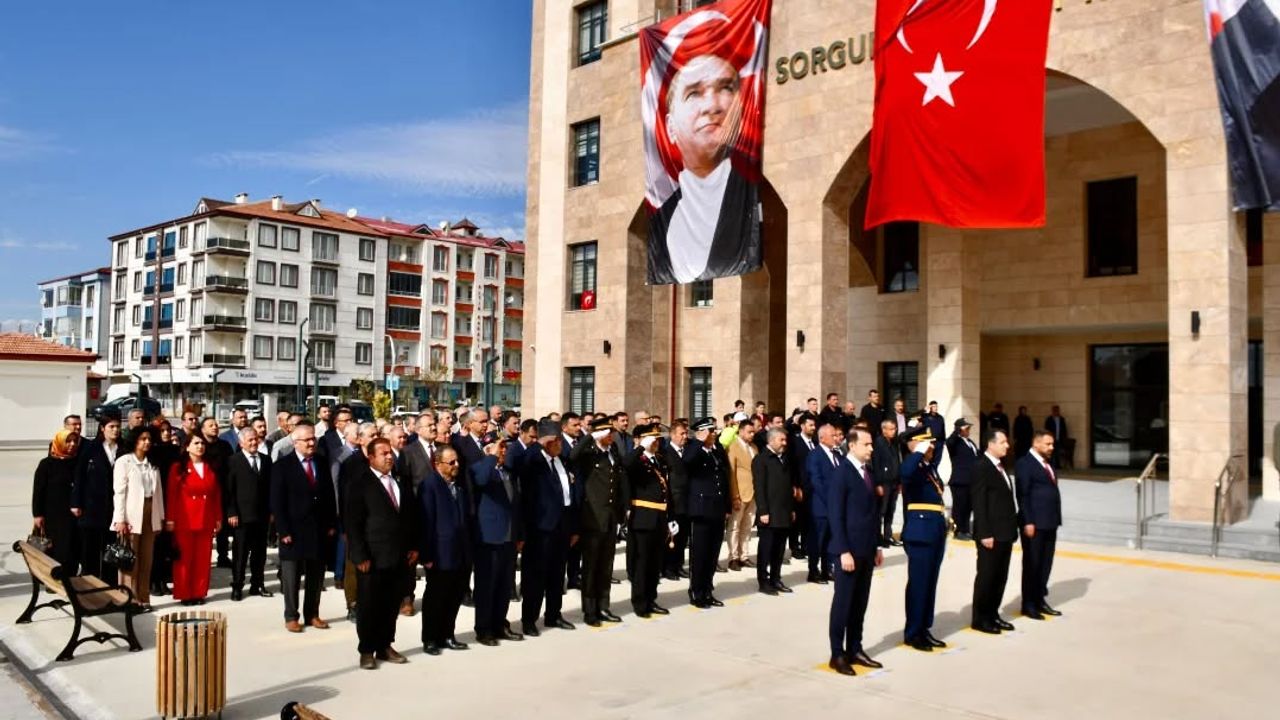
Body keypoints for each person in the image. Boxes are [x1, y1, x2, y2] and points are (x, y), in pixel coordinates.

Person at [647, 50, 758, 284]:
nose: (711, 106)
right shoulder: (659, 221)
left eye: (725, 88)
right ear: (670, 127)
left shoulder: (752, 194)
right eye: (694, 93)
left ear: (740, 112)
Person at [346, 438, 421, 669]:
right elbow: (353, 523)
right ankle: (367, 649)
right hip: (372, 557)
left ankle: (385, 645)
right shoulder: (360, 483)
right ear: (371, 458)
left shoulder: (400, 480)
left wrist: (413, 546)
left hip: (398, 556)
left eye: (390, 453)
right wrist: (360, 556)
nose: (389, 457)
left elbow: (410, 517)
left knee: (390, 604)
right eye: (383, 453)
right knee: (369, 605)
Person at [827, 428, 884, 676]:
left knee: (860, 603)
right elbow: (835, 515)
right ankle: (837, 654)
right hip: (849, 551)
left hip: (867, 549)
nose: (871, 448)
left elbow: (873, 514)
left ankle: (855, 648)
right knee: (843, 604)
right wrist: (843, 551)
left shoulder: (867, 472)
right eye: (867, 444)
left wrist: (877, 545)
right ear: (852, 446)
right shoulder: (842, 473)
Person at [271, 421, 338, 633]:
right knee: (291, 577)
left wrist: (331, 523)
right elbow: (277, 502)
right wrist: (283, 530)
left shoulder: (321, 462)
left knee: (316, 576)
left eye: (313, 439)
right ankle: (291, 616)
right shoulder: (282, 466)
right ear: (295, 442)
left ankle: (312, 614)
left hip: (318, 529)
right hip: (293, 530)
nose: (311, 443)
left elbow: (329, 495)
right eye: (307, 440)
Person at [519, 420, 579, 635]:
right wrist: (539, 444)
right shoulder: (532, 460)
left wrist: (573, 528)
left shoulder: (562, 460)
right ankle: (529, 619)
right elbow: (524, 462)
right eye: (557, 440)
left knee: (557, 574)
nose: (561, 444)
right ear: (547, 441)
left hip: (562, 527)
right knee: (535, 577)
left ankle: (553, 615)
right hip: (540, 530)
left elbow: (570, 495)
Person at [571, 417, 625, 626]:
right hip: (593, 518)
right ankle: (590, 610)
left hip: (610, 517)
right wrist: (590, 437)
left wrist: (621, 512)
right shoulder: (589, 453)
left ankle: (603, 606)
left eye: (611, 433)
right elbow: (573, 456)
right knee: (591, 566)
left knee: (606, 565)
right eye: (607, 433)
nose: (611, 437)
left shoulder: (612, 452)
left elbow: (617, 483)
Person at [899, 425, 948, 652]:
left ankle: (924, 628)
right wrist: (917, 450)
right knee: (919, 584)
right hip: (920, 532)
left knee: (930, 582)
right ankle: (913, 632)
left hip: (935, 529)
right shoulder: (912, 465)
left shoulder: (928, 467)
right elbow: (905, 473)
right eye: (926, 443)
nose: (932, 446)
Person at [419, 448, 471, 655]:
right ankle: (430, 638)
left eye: (457, 461)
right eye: (451, 463)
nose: (456, 465)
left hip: (460, 551)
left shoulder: (458, 485)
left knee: (454, 596)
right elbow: (425, 522)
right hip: (440, 554)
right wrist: (427, 555)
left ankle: (447, 635)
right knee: (435, 598)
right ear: (437, 464)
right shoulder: (429, 485)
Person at [470, 439, 523, 645]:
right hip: (489, 538)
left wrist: (519, 534)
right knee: (487, 586)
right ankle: (484, 629)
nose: (503, 452)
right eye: (500, 448)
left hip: (508, 537)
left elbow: (516, 504)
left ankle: (500, 624)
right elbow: (481, 480)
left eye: (504, 449)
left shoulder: (508, 472)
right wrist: (491, 456)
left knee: (504, 585)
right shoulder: (480, 468)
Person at [970, 429, 1018, 634]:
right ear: (990, 444)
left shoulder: (1000, 466)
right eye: (1003, 442)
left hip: (1005, 532)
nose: (1007, 445)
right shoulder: (981, 466)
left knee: (1000, 577)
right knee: (987, 577)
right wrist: (984, 533)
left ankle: (993, 614)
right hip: (990, 534)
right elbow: (979, 502)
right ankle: (980, 619)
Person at [112, 427, 164, 611]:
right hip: (131, 513)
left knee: (146, 558)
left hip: (150, 511)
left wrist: (160, 517)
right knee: (129, 558)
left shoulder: (152, 463)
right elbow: (119, 492)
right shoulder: (124, 461)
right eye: (142, 439)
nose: (147, 442)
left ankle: (143, 597)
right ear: (134, 440)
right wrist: (120, 519)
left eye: (149, 439)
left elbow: (158, 492)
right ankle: (129, 599)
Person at [622, 425, 671, 617]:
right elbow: (625, 464)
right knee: (641, 563)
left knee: (654, 563)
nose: (655, 442)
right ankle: (640, 603)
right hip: (643, 517)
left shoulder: (658, 460)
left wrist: (670, 517)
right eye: (652, 438)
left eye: (657, 438)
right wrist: (641, 446)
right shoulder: (637, 460)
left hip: (659, 517)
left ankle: (651, 599)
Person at [166, 433, 221, 605]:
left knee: (202, 558)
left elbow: (216, 495)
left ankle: (198, 592)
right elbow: (172, 494)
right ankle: (184, 593)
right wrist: (170, 519)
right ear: (187, 446)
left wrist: (218, 517)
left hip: (206, 518)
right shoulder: (178, 467)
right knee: (184, 559)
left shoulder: (210, 466)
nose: (200, 446)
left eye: (202, 443)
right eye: (196, 443)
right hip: (185, 519)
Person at [1016, 430, 1063, 620]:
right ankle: (1028, 604)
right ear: (1036, 444)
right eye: (1048, 444)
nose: (1051, 447)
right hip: (1034, 523)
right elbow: (1023, 494)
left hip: (1049, 521)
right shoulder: (1025, 463)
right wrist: (1028, 521)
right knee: (1032, 564)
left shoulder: (1047, 463)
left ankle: (1040, 599)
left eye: (1052, 444)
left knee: (1045, 563)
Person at [684, 417, 730, 608]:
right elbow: (686, 463)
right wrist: (698, 441)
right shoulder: (693, 450)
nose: (714, 434)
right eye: (711, 431)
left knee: (712, 553)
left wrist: (727, 507)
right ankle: (696, 591)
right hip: (701, 509)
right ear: (702, 433)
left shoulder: (716, 451)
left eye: (714, 430)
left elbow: (724, 478)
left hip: (717, 509)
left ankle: (707, 590)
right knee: (699, 554)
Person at [224, 428, 273, 601]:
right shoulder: (233, 461)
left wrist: (271, 511)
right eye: (250, 440)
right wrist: (231, 512)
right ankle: (237, 585)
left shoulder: (266, 460)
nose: (253, 443)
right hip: (241, 516)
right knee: (240, 553)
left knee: (260, 553)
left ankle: (257, 584)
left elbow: (270, 487)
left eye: (255, 439)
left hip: (262, 515)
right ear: (241, 443)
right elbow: (228, 490)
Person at [73, 415, 120, 583]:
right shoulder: (90, 448)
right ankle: (90, 582)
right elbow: (79, 476)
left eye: (117, 426)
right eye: (111, 427)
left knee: (111, 547)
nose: (115, 430)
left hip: (114, 506)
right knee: (91, 548)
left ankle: (110, 583)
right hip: (92, 506)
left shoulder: (123, 448)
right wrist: (76, 502)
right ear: (102, 429)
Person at [32, 430, 81, 572]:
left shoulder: (78, 462)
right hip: (52, 515)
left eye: (75, 441)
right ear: (59, 442)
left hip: (73, 515)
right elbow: (38, 491)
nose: (72, 444)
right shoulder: (46, 464)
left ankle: (70, 577)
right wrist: (37, 514)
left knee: (71, 548)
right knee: (54, 548)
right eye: (68, 441)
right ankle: (52, 577)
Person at [752, 427, 794, 595]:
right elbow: (759, 488)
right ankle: (763, 581)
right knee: (766, 549)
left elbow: (788, 486)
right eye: (781, 440)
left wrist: (791, 509)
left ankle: (775, 578)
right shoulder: (761, 460)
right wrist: (763, 511)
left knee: (779, 548)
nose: (784, 443)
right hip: (769, 513)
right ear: (771, 440)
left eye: (785, 440)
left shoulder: (784, 459)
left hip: (783, 512)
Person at [805, 424, 843, 584]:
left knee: (830, 540)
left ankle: (827, 569)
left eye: (837, 435)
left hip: (835, 507)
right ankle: (813, 571)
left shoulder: (837, 455)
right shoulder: (815, 455)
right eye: (832, 435)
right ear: (822, 438)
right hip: (820, 506)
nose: (836, 438)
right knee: (817, 540)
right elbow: (816, 481)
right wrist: (831, 500)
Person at [725, 421, 757, 571]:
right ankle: (733, 557)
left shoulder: (754, 447)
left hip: (753, 492)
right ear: (741, 431)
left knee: (747, 525)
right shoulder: (733, 447)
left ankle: (744, 555)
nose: (752, 435)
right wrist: (734, 495)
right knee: (735, 526)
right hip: (740, 492)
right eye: (749, 432)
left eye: (753, 432)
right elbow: (731, 473)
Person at [662, 419, 692, 580]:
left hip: (686, 501)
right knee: (672, 536)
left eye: (686, 433)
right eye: (682, 433)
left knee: (682, 536)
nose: (685, 436)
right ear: (672, 435)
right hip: (674, 500)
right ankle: (668, 568)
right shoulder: (666, 454)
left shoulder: (687, 452)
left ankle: (678, 565)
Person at [787, 413, 817, 561]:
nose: (813, 428)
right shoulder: (794, 442)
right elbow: (791, 466)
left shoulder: (815, 442)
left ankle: (806, 545)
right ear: (802, 426)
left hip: (813, 487)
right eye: (810, 425)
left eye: (814, 425)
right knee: (797, 519)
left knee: (808, 518)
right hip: (799, 487)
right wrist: (794, 486)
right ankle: (794, 547)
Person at [944, 418, 980, 540]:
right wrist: (957, 431)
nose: (968, 430)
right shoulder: (956, 442)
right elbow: (949, 442)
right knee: (960, 507)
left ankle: (965, 529)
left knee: (968, 507)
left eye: (969, 428)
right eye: (966, 428)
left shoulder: (969, 442)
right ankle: (957, 530)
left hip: (971, 480)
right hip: (959, 480)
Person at [872, 419, 902, 548]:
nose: (894, 431)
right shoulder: (879, 443)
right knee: (881, 511)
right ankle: (877, 536)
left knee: (891, 510)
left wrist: (899, 481)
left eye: (895, 428)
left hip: (894, 481)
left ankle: (887, 536)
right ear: (884, 430)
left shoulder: (894, 443)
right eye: (891, 429)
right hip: (884, 482)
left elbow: (897, 461)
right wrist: (878, 483)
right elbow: (876, 463)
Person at [922, 402, 946, 468]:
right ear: (930, 407)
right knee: (929, 459)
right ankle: (929, 472)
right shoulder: (926, 417)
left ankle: (934, 471)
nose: (935, 408)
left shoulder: (940, 417)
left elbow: (943, 429)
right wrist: (924, 410)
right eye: (934, 406)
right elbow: (920, 416)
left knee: (937, 460)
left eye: (936, 406)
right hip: (930, 442)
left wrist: (944, 441)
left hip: (939, 442)